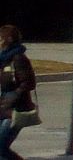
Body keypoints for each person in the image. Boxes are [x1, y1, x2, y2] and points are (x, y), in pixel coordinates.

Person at [0, 24, 38, 160]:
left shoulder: (18, 58)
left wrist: (13, 97)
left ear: (8, 39)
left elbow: (29, 83)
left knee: (1, 148)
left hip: (15, 109)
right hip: (4, 107)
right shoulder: (4, 59)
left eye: (0, 38)